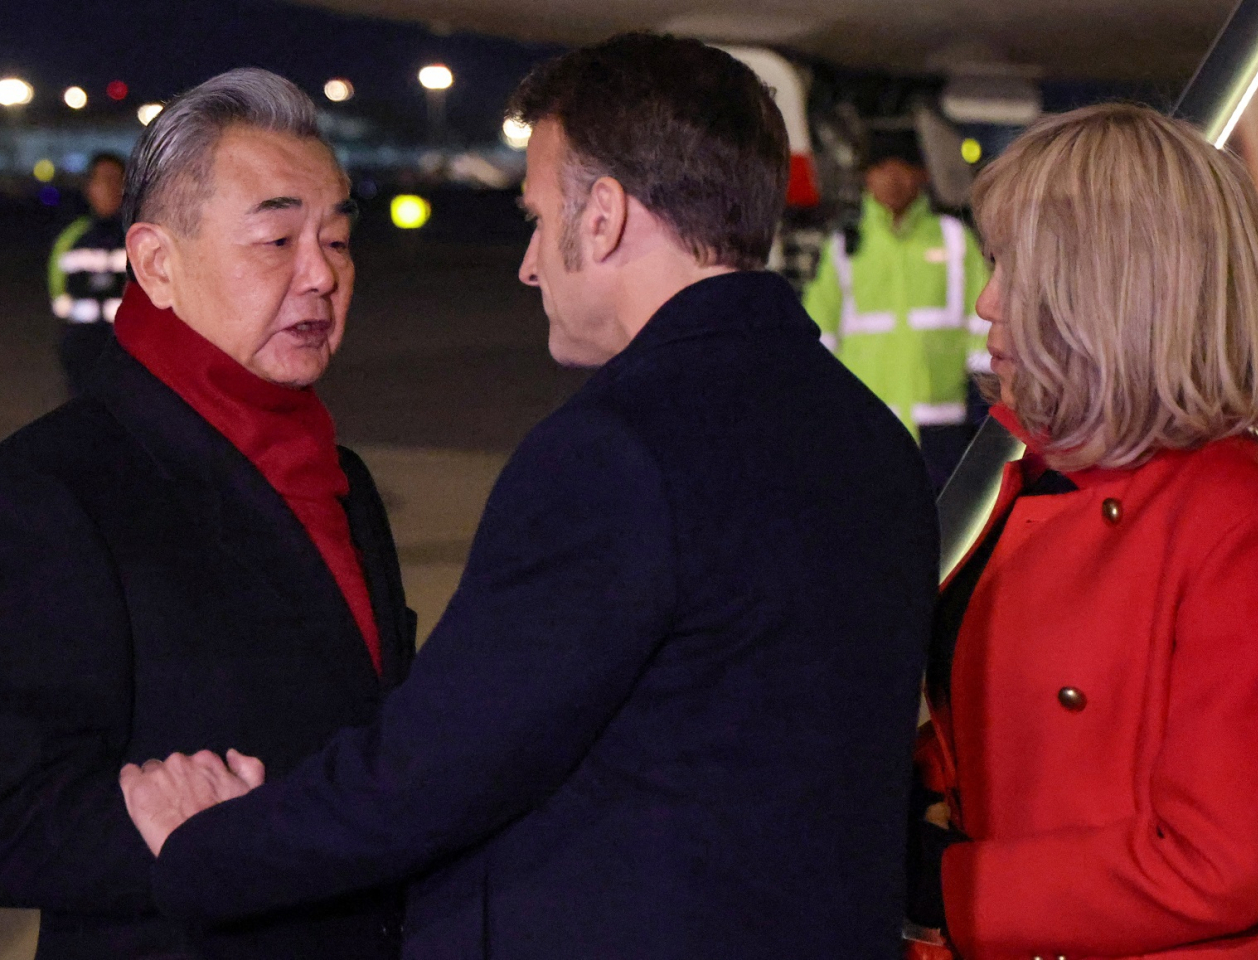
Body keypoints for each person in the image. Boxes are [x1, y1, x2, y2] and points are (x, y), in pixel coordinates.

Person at [119, 33, 940, 960]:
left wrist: (199, 850)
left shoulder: (620, 450)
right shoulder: (872, 435)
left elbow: (433, 772)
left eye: (538, 218)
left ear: (603, 221)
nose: (527, 264)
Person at [0, 69, 416, 958]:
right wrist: (182, 834)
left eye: (338, 241)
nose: (322, 277)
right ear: (156, 262)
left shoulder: (337, 476)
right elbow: (15, 813)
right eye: (276, 241)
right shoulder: (52, 488)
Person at [907, 103, 1258, 958]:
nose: (986, 304)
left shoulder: (1240, 527)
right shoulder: (1036, 486)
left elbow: (1218, 863)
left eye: (1014, 268)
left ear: (1110, 288)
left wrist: (952, 886)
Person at [803, 129, 990, 490]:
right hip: (868, 423)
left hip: (942, 424)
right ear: (866, 177)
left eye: (902, 166)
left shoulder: (954, 238)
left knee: (946, 532)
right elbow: (818, 334)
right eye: (879, 167)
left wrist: (989, 405)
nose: (891, 177)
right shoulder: (845, 247)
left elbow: (983, 323)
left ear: (922, 173)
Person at [48, 152, 127, 395]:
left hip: (129, 350)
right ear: (89, 188)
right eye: (102, 181)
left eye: (116, 180)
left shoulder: (139, 236)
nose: (109, 188)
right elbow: (57, 291)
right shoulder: (71, 238)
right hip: (81, 348)